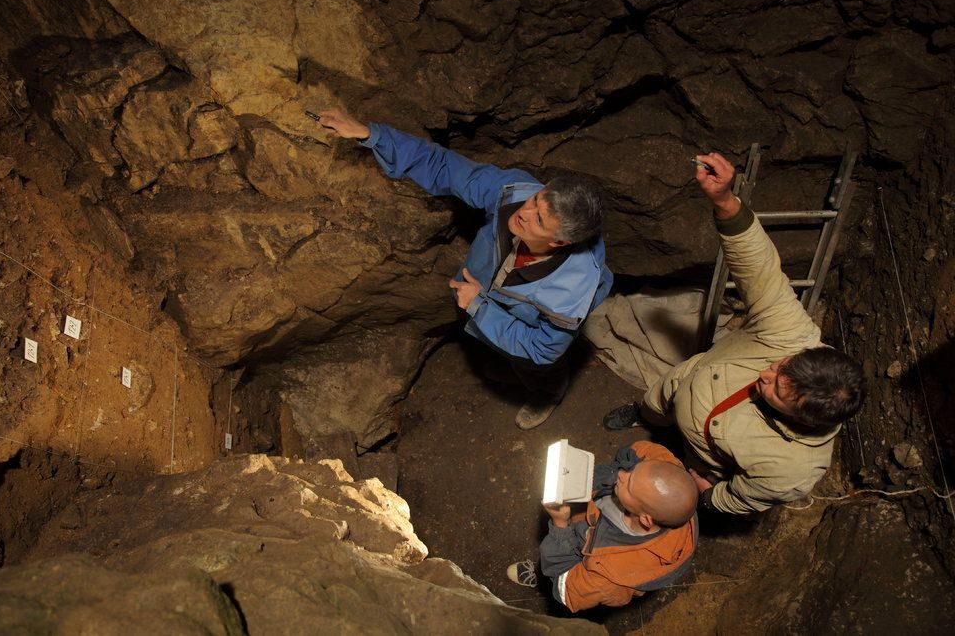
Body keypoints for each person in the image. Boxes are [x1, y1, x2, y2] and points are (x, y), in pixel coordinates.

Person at [603, 152, 867, 515]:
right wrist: (725, 201)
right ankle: (645, 414)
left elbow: (743, 497)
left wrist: (707, 497)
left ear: (801, 419)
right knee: (656, 400)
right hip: (682, 383)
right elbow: (760, 270)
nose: (765, 374)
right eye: (781, 366)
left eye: (776, 389)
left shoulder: (792, 469)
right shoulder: (791, 334)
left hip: (702, 458)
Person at [317, 109, 613, 429]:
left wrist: (478, 305)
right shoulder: (514, 194)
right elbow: (444, 166)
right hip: (492, 293)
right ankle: (512, 362)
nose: (524, 212)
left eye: (539, 219)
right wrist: (370, 134)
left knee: (537, 364)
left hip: (527, 322)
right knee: (503, 341)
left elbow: (542, 348)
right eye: (536, 200)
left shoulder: (569, 294)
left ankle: (546, 392)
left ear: (558, 243)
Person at [507, 440, 698, 611]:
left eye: (629, 484)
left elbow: (565, 590)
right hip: (588, 518)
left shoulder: (610, 579)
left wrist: (560, 524)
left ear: (646, 519)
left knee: (552, 574)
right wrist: (588, 483)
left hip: (576, 559)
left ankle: (541, 578)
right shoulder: (664, 467)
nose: (622, 474)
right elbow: (631, 453)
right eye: (634, 471)